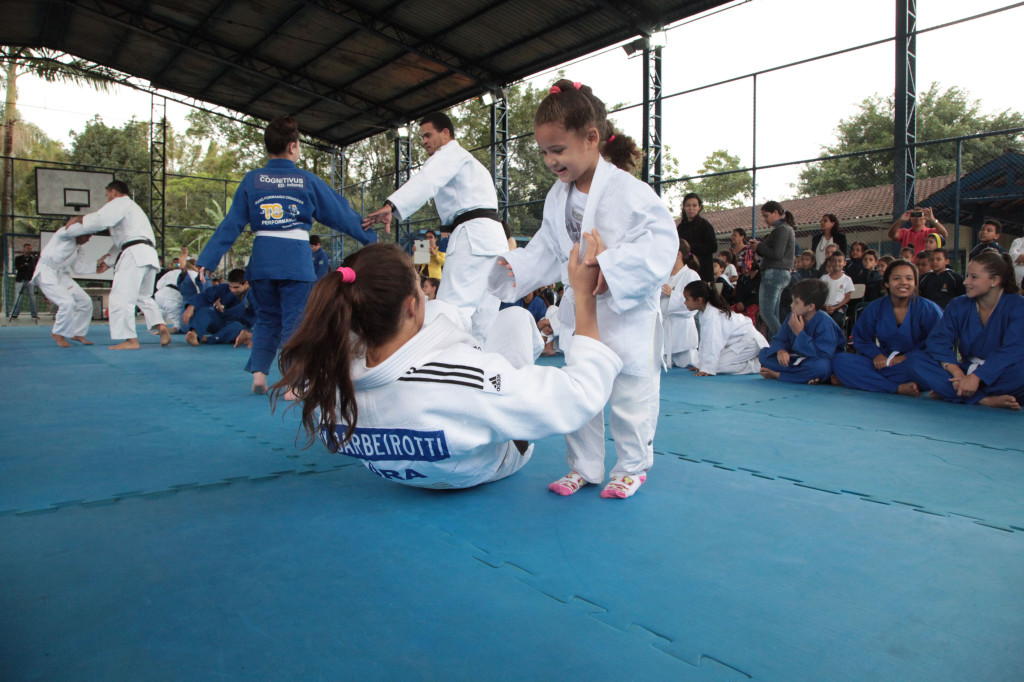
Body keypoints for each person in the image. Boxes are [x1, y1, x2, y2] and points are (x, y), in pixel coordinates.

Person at [272, 238, 621, 489]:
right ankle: (506, 373)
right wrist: (584, 299)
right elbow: (580, 396)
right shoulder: (461, 379)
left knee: (450, 318)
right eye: (422, 293)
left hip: (395, 471)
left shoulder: (328, 368)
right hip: (478, 469)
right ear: (411, 305)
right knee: (514, 319)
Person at [488, 79, 676, 499]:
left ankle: (632, 466)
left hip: (625, 310)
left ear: (592, 139)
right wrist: (513, 266)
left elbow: (661, 242)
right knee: (581, 394)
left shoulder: (630, 192)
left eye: (558, 150)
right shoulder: (558, 198)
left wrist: (612, 265)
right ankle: (585, 466)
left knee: (630, 394)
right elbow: (548, 249)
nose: (551, 161)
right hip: (582, 309)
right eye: (544, 152)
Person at [197, 116, 376, 394]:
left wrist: (208, 260)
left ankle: (259, 375)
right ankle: (293, 383)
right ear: (293, 146)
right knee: (296, 320)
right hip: (295, 260)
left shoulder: (252, 180)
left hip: (263, 260)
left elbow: (231, 223)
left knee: (267, 318)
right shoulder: (305, 180)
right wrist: (370, 238)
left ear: (268, 147)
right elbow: (338, 212)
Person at [363, 112, 507, 341]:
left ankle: (446, 365)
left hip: (472, 236)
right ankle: (480, 369)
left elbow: (427, 180)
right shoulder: (473, 164)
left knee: (452, 308)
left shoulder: (450, 153)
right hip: (494, 238)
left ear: (446, 133)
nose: (424, 141)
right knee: (484, 314)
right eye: (422, 137)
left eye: (428, 135)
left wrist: (392, 205)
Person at [904, 251, 1024, 410]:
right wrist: (958, 374)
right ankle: (983, 399)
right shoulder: (958, 305)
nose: (966, 282)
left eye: (974, 277)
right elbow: (938, 341)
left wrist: (977, 377)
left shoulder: (1017, 305)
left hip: (1002, 372)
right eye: (967, 276)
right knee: (915, 360)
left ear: (994, 280)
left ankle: (953, 392)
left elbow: (1013, 349)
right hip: (965, 370)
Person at [66, 180, 171, 350]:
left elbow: (101, 220)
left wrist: (80, 219)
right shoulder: (134, 210)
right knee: (143, 296)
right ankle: (160, 326)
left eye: (108, 195)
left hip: (134, 254)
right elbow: (123, 241)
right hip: (149, 254)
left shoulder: (120, 202)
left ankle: (130, 339)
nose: (108, 200)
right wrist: (108, 262)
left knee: (121, 296)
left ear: (114, 192)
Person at [831, 259, 941, 395]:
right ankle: (898, 388)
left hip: (913, 364)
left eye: (909, 279)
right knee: (840, 361)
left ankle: (868, 381)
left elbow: (938, 344)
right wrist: (877, 355)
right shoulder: (876, 307)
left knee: (920, 366)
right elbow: (862, 338)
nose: (903, 283)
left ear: (915, 283)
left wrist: (905, 358)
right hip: (883, 362)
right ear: (887, 283)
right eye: (896, 278)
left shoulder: (929, 309)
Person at [758, 279, 844, 384]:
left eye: (796, 302)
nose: (791, 305)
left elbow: (823, 355)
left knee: (822, 368)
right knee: (763, 354)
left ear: (811, 307)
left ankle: (778, 375)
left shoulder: (824, 322)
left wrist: (800, 333)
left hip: (815, 361)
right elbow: (779, 339)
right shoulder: (792, 317)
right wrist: (781, 350)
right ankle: (804, 377)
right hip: (796, 360)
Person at [683, 280, 767, 376]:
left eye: (687, 299)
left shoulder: (713, 314)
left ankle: (756, 366)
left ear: (699, 300)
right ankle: (750, 361)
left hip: (749, 343)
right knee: (715, 363)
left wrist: (708, 368)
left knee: (718, 367)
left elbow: (714, 342)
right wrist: (701, 364)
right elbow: (705, 341)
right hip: (737, 343)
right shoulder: (705, 313)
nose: (685, 303)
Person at [31, 223, 95, 346]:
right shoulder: (63, 236)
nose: (88, 240)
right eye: (87, 236)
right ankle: (58, 333)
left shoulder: (78, 249)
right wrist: (78, 219)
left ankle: (77, 332)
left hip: (62, 275)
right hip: (46, 271)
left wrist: (97, 265)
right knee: (67, 302)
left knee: (85, 301)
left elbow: (78, 268)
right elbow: (68, 228)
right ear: (79, 233)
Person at [751, 200, 795, 339]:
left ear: (776, 213)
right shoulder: (783, 229)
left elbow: (777, 254)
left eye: (766, 215)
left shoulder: (782, 230)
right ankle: (775, 343)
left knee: (767, 312)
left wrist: (759, 246)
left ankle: (782, 342)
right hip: (778, 273)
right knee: (773, 313)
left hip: (775, 273)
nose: (765, 219)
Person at [183, 269, 256, 347]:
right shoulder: (224, 288)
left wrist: (255, 335)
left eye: (236, 287)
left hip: (241, 327)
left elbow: (263, 315)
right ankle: (194, 334)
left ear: (246, 283)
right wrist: (191, 307)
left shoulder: (255, 294)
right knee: (205, 310)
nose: (232, 290)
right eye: (230, 287)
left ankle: (208, 339)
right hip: (222, 322)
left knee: (236, 327)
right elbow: (205, 296)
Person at [660, 239, 700, 368]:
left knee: (686, 365)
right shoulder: (663, 275)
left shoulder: (691, 275)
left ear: (678, 254)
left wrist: (673, 295)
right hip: (664, 325)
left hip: (682, 328)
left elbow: (695, 304)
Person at [675, 193, 717, 282]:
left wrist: (689, 247)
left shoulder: (705, 225)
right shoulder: (680, 227)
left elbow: (713, 247)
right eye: (688, 205)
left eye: (694, 205)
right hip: (684, 269)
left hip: (703, 270)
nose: (691, 208)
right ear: (684, 207)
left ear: (699, 207)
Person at [820, 251, 854, 329]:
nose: (837, 263)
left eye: (839, 261)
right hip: (825, 307)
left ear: (844, 263)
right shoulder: (824, 278)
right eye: (834, 261)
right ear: (831, 262)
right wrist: (825, 306)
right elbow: (820, 295)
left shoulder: (847, 279)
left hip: (839, 307)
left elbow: (847, 297)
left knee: (837, 321)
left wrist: (835, 308)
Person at [11, 242, 39, 319]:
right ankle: (15, 314)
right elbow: (18, 267)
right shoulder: (18, 258)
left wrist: (25, 266)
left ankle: (34, 314)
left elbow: (33, 269)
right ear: (24, 249)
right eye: (27, 248)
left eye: (30, 248)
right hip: (20, 280)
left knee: (33, 298)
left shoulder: (33, 259)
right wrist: (25, 265)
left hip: (30, 280)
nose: (29, 250)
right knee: (18, 297)